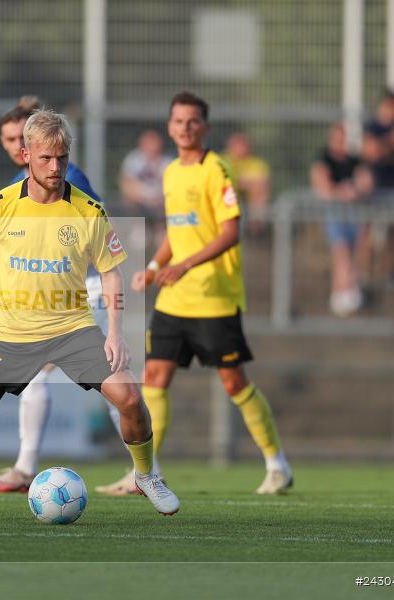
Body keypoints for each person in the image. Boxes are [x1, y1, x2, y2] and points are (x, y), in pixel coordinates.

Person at [0, 109, 179, 520]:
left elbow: (111, 274)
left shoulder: (88, 210)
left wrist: (114, 333)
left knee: (128, 396)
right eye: (46, 159)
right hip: (8, 333)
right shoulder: (0, 205)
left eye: (62, 158)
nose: (56, 167)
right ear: (26, 155)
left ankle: (146, 476)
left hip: (72, 329)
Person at [110, 91, 292, 496]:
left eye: (193, 121)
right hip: (174, 298)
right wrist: (156, 267)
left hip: (213, 296)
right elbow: (178, 232)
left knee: (233, 382)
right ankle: (145, 472)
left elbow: (230, 231)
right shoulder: (172, 171)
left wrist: (184, 265)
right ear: (169, 126)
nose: (185, 127)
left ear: (205, 127)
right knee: (153, 378)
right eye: (178, 120)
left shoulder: (217, 169)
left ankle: (277, 465)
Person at [0, 96, 130, 495]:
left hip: (83, 290)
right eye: (6, 139)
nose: (11, 146)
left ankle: (26, 468)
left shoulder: (64, 176)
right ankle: (145, 471)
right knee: (104, 383)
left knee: (52, 374)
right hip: (57, 295)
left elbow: (69, 245)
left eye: (16, 137)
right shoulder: (18, 186)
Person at [311, 123, 374, 316]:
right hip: (334, 213)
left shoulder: (354, 160)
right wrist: (341, 192)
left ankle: (351, 289)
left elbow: (366, 182)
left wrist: (356, 190)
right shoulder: (323, 160)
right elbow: (322, 186)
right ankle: (340, 292)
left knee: (356, 251)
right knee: (342, 251)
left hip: (354, 214)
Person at [360, 89, 394, 283]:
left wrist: (390, 149)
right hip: (375, 184)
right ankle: (364, 271)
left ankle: (387, 272)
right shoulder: (373, 125)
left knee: (392, 230)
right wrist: (392, 142)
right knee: (367, 227)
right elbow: (371, 152)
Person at [222, 132, 271, 234]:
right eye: (238, 145)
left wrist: (240, 182)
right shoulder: (222, 160)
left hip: (247, 197)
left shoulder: (256, 163)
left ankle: (256, 227)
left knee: (259, 192)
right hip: (227, 193)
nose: (241, 148)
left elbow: (262, 184)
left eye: (243, 144)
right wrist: (244, 182)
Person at [118, 128, 172, 219]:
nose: (152, 146)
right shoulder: (133, 160)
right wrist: (143, 200)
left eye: (154, 143)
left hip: (161, 205)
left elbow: (173, 187)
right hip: (138, 205)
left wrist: (160, 200)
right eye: (149, 143)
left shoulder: (168, 162)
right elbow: (126, 184)